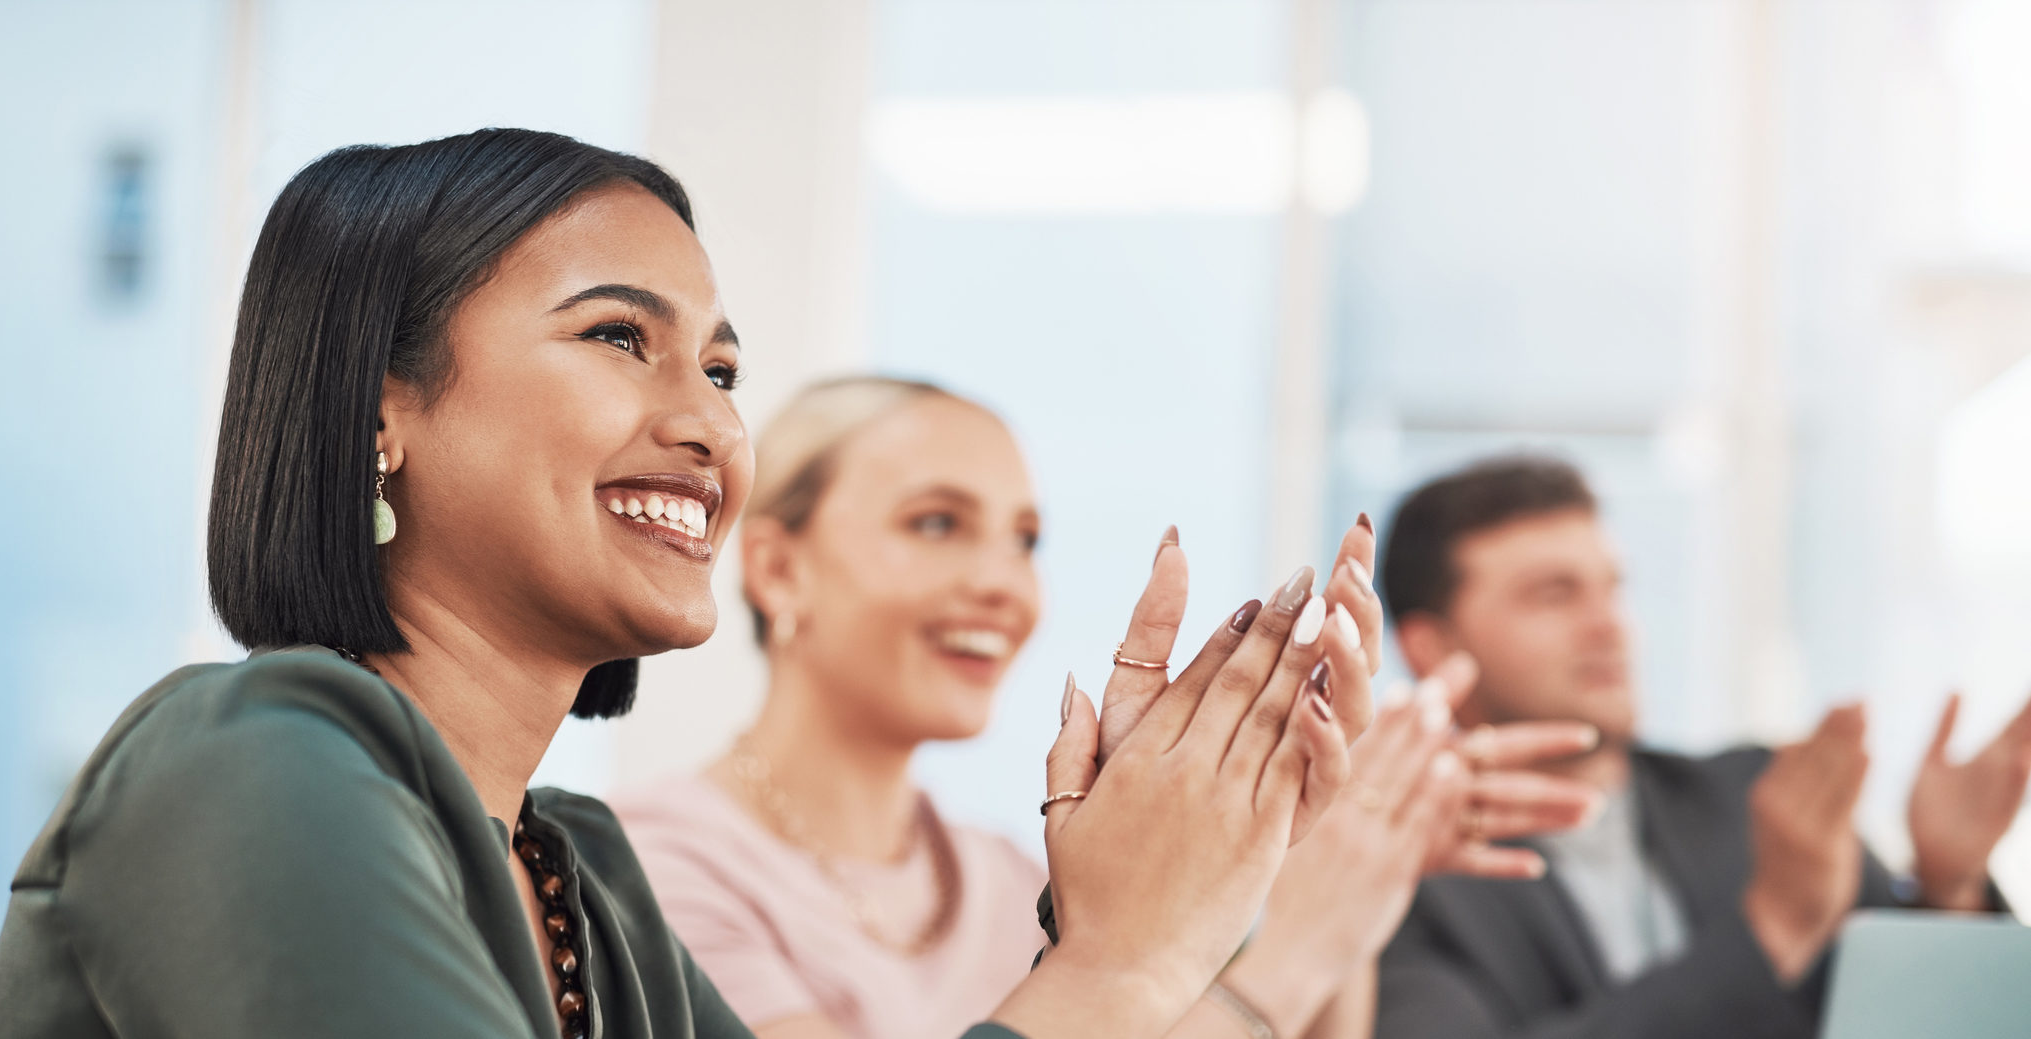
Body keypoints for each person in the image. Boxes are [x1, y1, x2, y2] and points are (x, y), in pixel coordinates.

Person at [0, 128, 1355, 1039]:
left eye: (723, 368)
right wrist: (1119, 963)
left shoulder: (587, 881)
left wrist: (1173, 902)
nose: (708, 426)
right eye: (620, 337)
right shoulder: (247, 761)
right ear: (377, 408)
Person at [618, 377, 1600, 1039]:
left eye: (1026, 540)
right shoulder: (654, 870)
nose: (1003, 584)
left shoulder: (1010, 874)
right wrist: (1289, 948)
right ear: (778, 565)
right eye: (936, 523)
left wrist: (1322, 868)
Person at [1370, 455, 2031, 1039]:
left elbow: (1913, 1015)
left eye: (1612, 588)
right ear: (1433, 648)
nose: (1609, 626)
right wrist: (1768, 929)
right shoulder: (1395, 875)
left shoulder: (1761, 798)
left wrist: (1950, 886)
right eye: (1554, 594)